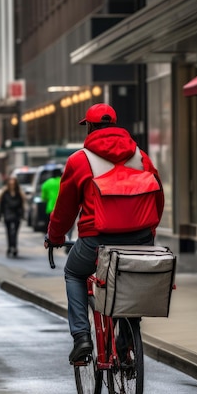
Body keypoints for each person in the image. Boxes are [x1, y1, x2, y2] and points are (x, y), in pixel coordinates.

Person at [44, 103, 164, 363]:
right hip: (140, 238)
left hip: (96, 240)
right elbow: (158, 198)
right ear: (116, 125)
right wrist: (148, 232)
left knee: (74, 273)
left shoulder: (80, 160)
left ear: (89, 127)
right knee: (130, 280)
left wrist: (54, 237)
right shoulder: (141, 156)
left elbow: (64, 208)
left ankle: (81, 338)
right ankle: (127, 339)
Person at [0, 177, 25, 257]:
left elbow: (21, 205)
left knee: (15, 233)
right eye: (11, 184)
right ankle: (10, 247)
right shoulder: (5, 193)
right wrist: (0, 214)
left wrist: (22, 214)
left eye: (13, 184)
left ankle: (14, 247)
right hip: (8, 215)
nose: (12, 185)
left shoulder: (19, 193)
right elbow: (1, 205)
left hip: (16, 215)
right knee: (9, 232)